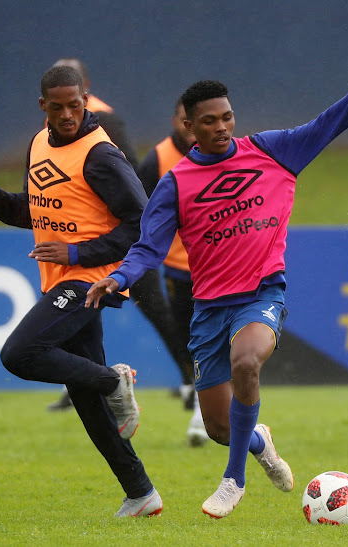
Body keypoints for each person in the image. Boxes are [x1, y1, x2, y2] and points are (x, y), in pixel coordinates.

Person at [86, 41, 348, 518]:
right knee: (220, 427)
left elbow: (335, 119)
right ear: (188, 126)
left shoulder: (273, 151)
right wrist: (118, 279)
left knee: (247, 364)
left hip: (262, 293)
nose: (221, 127)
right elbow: (148, 248)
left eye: (227, 117)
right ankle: (259, 443)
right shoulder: (175, 184)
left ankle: (232, 480)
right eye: (209, 120)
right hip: (209, 309)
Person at [0, 65, 162, 517]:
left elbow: (142, 224)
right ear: (43, 107)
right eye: (58, 107)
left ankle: (116, 380)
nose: (69, 114)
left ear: (87, 100)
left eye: (76, 105)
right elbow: (32, 213)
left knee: (18, 353)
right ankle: (141, 492)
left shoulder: (101, 155)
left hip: (94, 278)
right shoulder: (39, 143)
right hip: (62, 278)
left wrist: (76, 254)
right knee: (83, 394)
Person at [47, 59, 194, 413]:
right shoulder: (57, 124)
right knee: (79, 306)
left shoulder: (104, 120)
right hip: (81, 235)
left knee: (153, 307)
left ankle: (192, 379)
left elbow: (126, 169)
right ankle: (82, 380)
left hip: (114, 237)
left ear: (85, 87)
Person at [136, 98, 207, 446]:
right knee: (186, 340)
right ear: (177, 120)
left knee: (213, 342)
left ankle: (202, 412)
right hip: (178, 269)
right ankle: (197, 394)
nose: (188, 128)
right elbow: (138, 207)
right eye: (184, 120)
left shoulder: (222, 153)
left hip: (218, 267)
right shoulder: (158, 159)